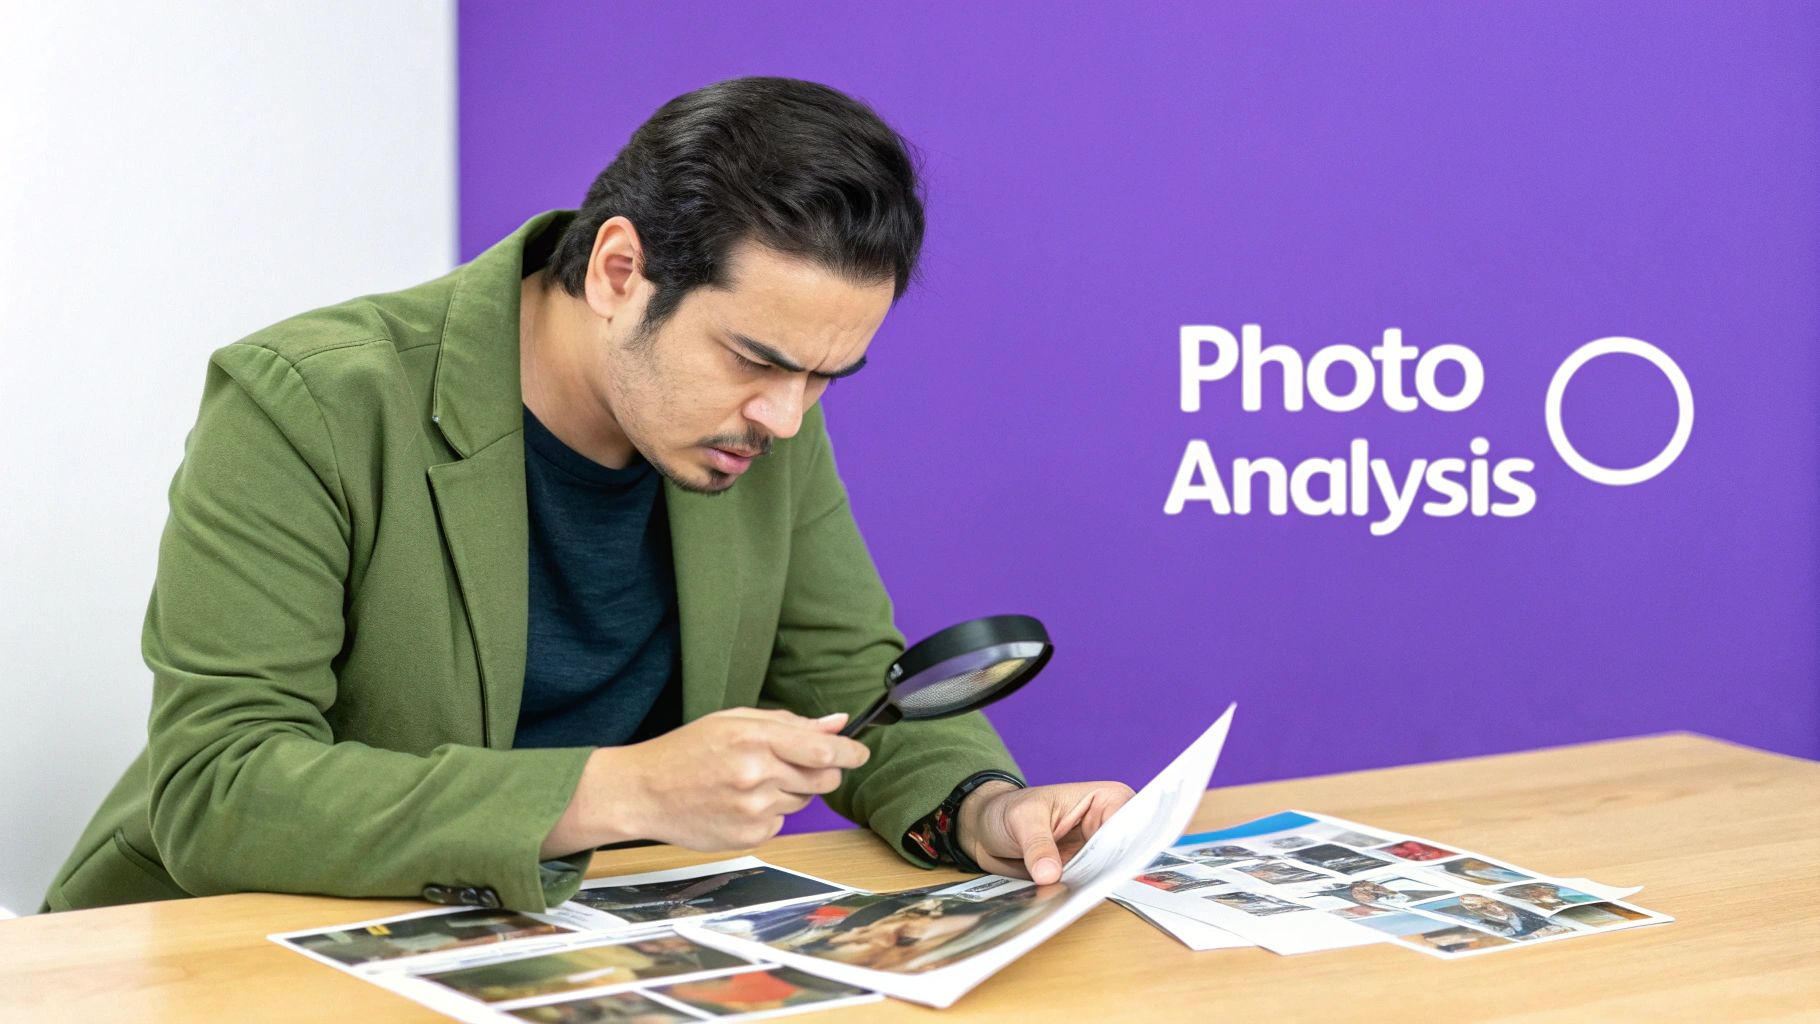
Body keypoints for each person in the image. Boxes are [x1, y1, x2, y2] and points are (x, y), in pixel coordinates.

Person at [41, 76, 1133, 915]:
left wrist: (987, 810)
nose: (788, 417)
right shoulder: (307, 404)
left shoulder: (765, 418)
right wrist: (624, 791)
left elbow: (853, 686)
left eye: (822, 377)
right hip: (234, 948)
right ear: (619, 270)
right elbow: (220, 785)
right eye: (755, 359)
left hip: (564, 947)